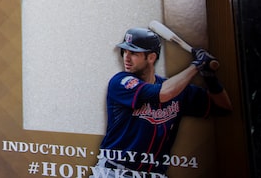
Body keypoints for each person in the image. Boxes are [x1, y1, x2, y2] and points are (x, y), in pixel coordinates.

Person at [95, 27, 232, 175]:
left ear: (151, 57)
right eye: (125, 51)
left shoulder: (177, 90)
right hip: (114, 171)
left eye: (133, 53)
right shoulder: (120, 82)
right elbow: (163, 93)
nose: (126, 57)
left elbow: (223, 107)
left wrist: (210, 78)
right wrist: (196, 66)